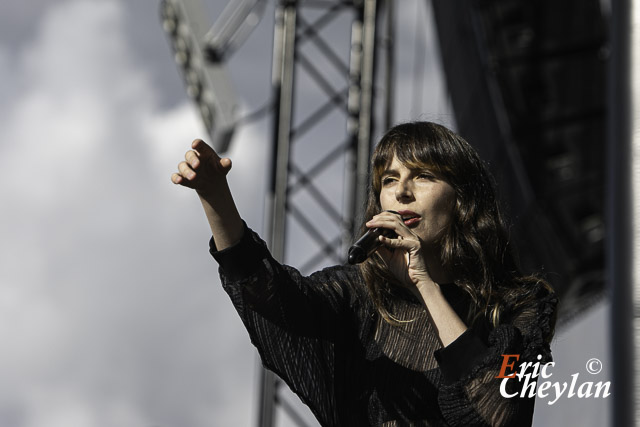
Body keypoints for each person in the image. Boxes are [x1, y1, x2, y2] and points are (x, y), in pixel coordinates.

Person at [171, 121, 557, 426]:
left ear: (463, 199)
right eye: (389, 179)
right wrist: (215, 196)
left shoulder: (520, 305)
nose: (402, 191)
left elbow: (495, 411)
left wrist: (423, 282)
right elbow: (272, 295)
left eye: (423, 175)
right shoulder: (357, 295)